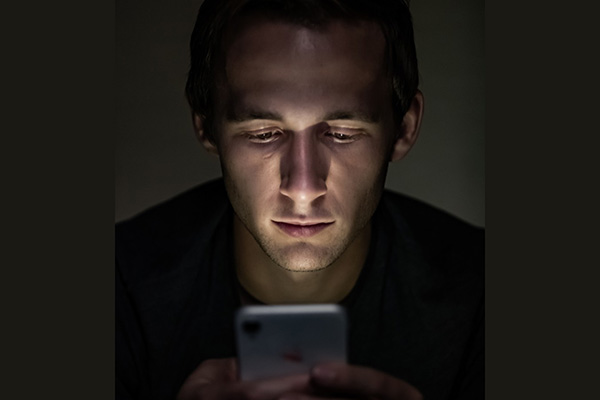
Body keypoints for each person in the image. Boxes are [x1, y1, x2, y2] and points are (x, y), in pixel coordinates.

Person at [116, 0, 484, 399]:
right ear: (207, 128)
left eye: (343, 133)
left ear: (404, 128)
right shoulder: (121, 288)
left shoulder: (480, 294)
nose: (304, 187)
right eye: (262, 133)